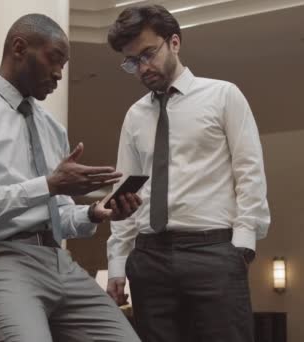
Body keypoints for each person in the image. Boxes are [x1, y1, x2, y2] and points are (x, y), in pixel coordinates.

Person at [0, 13, 141, 342]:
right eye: (54, 59)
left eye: (64, 64)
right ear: (18, 47)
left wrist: (94, 212)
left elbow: (58, 214)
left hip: (58, 262)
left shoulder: (51, 127)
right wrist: (48, 185)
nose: (59, 73)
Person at [105, 5, 271, 342]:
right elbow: (126, 193)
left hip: (214, 252)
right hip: (149, 258)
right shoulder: (135, 116)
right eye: (132, 61)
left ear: (175, 42)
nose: (142, 67)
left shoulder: (223, 96)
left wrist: (242, 246)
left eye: (148, 54)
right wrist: (118, 261)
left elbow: (249, 171)